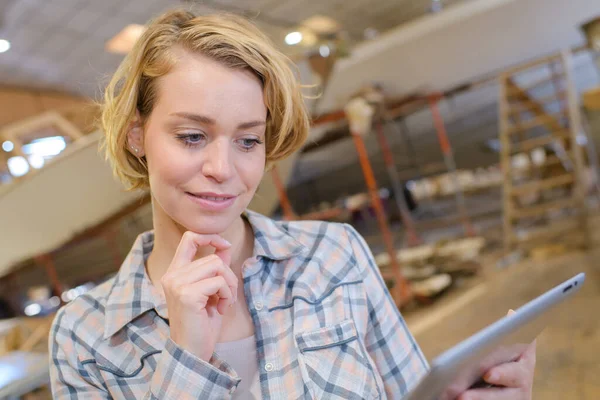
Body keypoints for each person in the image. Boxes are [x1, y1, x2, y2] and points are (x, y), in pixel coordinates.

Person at [48, 9, 535, 400]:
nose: (224, 167)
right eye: (193, 136)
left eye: (247, 141)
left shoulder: (333, 255)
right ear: (138, 135)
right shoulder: (85, 338)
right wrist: (187, 358)